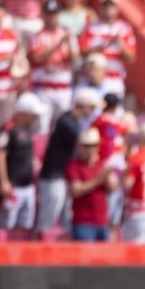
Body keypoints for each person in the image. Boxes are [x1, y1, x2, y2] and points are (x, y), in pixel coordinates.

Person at [35, 87, 100, 235]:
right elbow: (81, 142)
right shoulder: (66, 122)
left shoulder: (73, 121)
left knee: (66, 217)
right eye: (91, 107)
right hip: (53, 175)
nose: (92, 112)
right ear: (83, 106)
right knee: (48, 216)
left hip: (62, 175)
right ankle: (39, 249)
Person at [0, 92, 45, 236]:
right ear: (25, 113)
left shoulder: (27, 131)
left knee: (24, 227)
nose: (35, 118)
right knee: (7, 226)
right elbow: (0, 154)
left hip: (27, 186)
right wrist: (4, 182)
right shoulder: (9, 129)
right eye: (33, 114)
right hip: (14, 187)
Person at [27, 0, 77, 127]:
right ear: (43, 14)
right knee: (41, 127)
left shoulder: (67, 34)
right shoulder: (36, 36)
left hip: (63, 88)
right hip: (43, 88)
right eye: (48, 13)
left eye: (54, 13)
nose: (51, 17)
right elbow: (36, 59)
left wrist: (70, 43)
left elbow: (75, 58)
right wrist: (58, 45)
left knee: (63, 126)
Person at [79, 0, 136, 99]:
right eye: (105, 6)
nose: (108, 9)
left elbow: (131, 58)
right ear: (100, 7)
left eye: (112, 6)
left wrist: (120, 43)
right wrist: (105, 45)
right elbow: (82, 52)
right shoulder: (91, 26)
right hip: (92, 78)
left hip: (114, 79)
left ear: (117, 8)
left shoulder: (125, 28)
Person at [64, 125, 117, 242]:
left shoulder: (102, 164)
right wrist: (99, 179)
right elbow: (76, 191)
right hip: (83, 221)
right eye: (86, 146)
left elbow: (112, 188)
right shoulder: (74, 166)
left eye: (93, 146)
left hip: (102, 221)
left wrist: (108, 178)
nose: (90, 149)